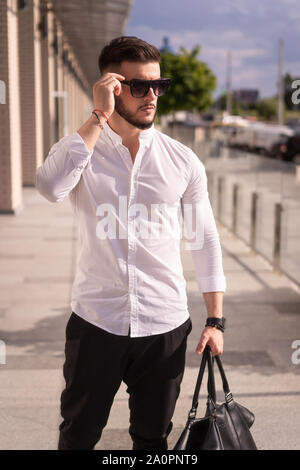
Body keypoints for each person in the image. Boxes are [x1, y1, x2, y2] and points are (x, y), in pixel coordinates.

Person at [35, 36, 226, 451]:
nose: (152, 96)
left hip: (165, 326)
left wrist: (215, 320)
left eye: (159, 85)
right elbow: (49, 186)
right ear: (112, 85)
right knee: (78, 434)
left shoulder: (182, 160)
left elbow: (204, 239)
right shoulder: (83, 151)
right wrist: (98, 116)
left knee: (153, 440)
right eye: (139, 86)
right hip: (96, 322)